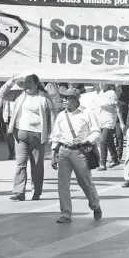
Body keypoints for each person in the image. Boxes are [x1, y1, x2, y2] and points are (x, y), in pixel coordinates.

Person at [0, 74, 56, 201]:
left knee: (36, 164)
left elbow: (52, 116)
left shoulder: (44, 97)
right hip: (20, 136)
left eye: (30, 82)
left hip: (38, 136)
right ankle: (19, 192)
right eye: (25, 82)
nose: (27, 85)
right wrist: (11, 81)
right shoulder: (19, 95)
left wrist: (52, 137)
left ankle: (36, 191)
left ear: (37, 84)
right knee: (20, 163)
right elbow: (1, 94)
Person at [50, 87, 102, 223]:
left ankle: (95, 205)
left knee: (85, 182)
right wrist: (53, 152)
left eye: (68, 98)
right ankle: (65, 213)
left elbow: (96, 131)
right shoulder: (61, 115)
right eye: (64, 98)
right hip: (64, 151)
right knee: (63, 184)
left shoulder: (87, 113)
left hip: (80, 152)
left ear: (75, 99)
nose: (64, 100)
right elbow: (56, 135)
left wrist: (86, 140)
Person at [96, 84, 126, 171]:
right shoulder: (100, 93)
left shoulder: (112, 93)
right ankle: (115, 159)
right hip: (100, 119)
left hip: (109, 120)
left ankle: (103, 163)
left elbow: (118, 108)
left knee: (103, 140)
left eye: (103, 83)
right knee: (109, 140)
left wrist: (121, 122)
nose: (101, 85)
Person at [114, 85, 129, 162]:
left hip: (124, 110)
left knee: (120, 134)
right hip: (117, 111)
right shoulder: (116, 87)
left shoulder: (126, 87)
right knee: (117, 134)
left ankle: (119, 154)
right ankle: (117, 155)